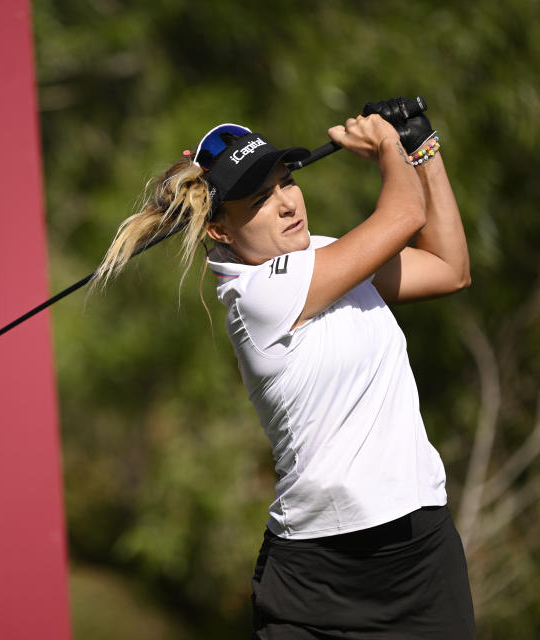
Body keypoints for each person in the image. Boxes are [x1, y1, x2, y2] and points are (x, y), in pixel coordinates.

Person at [92, 100, 475, 638]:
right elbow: (405, 216)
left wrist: (423, 147)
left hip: (423, 557)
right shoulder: (256, 296)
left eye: (286, 181)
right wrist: (390, 146)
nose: (287, 203)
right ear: (220, 230)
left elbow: (447, 268)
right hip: (324, 580)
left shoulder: (326, 257)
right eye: (259, 197)